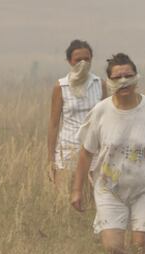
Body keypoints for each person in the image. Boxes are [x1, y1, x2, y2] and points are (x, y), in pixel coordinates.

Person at [71, 53, 145, 254]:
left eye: (128, 76)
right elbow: (86, 153)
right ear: (109, 81)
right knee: (112, 248)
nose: (123, 82)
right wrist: (77, 190)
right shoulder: (101, 111)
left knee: (140, 245)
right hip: (109, 187)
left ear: (136, 78)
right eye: (117, 77)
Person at [47, 39, 107, 190]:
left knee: (93, 195)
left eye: (86, 59)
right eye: (78, 60)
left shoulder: (99, 84)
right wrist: (50, 158)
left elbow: (107, 119)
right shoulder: (61, 86)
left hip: (95, 149)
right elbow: (54, 124)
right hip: (68, 149)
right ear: (69, 61)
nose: (83, 63)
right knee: (64, 193)